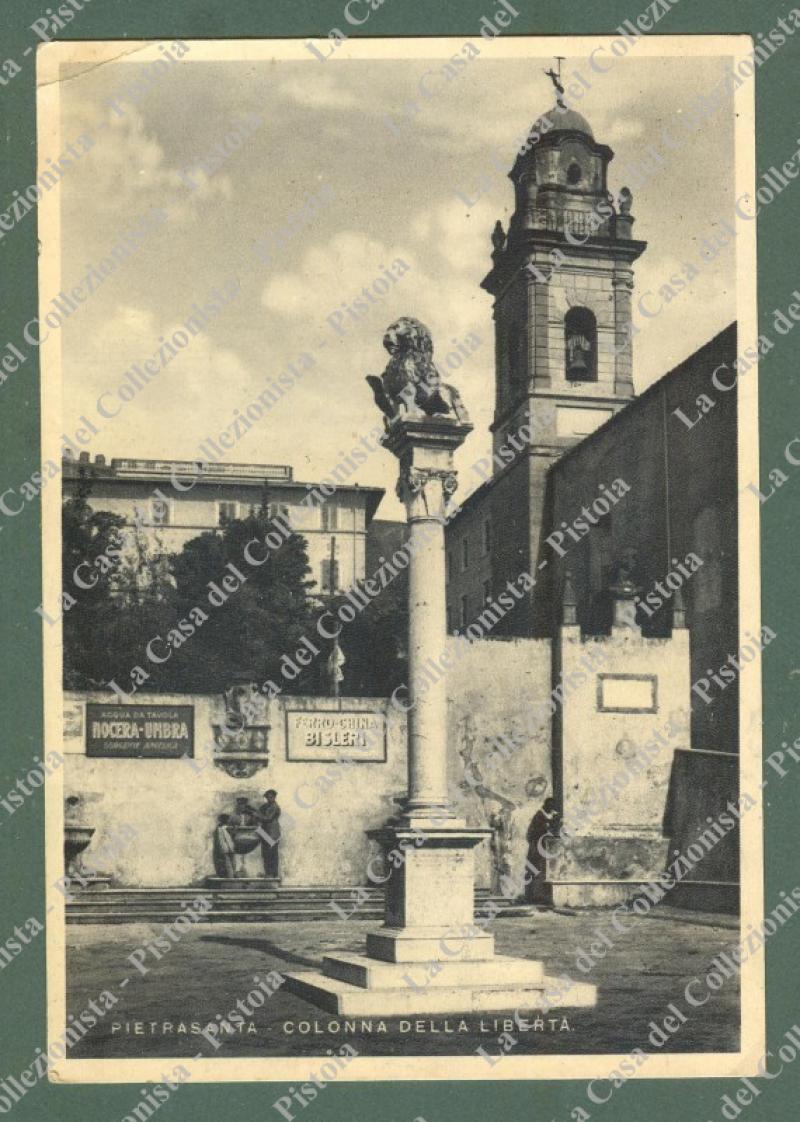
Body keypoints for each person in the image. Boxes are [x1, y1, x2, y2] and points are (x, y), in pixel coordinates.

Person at [524, 796, 561, 905]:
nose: (551, 808)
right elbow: (535, 832)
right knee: (536, 871)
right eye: (549, 806)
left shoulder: (548, 816)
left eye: (552, 806)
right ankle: (534, 897)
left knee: (543, 872)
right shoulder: (539, 816)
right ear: (545, 806)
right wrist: (549, 824)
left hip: (544, 849)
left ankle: (541, 897)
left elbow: (552, 830)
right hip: (536, 849)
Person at [254, 789, 281, 879]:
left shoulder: (275, 807)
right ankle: (268, 873)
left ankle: (273, 874)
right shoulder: (265, 806)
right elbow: (258, 812)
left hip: (272, 833)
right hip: (265, 832)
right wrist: (255, 814)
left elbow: (268, 818)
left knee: (272, 854)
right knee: (265, 854)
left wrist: (257, 816)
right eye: (267, 797)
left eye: (271, 797)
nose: (269, 799)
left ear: (274, 797)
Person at [212, 814, 236, 879]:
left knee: (230, 864)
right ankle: (231, 877)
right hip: (226, 848)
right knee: (229, 864)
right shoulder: (224, 828)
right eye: (228, 820)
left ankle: (231, 876)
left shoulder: (219, 828)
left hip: (226, 848)